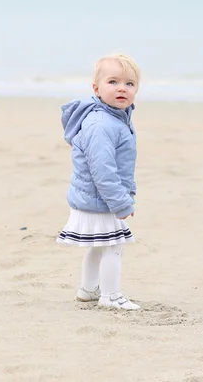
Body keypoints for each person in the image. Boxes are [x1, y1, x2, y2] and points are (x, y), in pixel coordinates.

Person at [56, 54, 141, 310]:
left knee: (99, 244)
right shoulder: (101, 123)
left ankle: (88, 289)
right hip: (100, 198)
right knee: (114, 246)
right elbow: (102, 171)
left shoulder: (115, 117)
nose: (121, 88)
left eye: (129, 83)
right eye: (113, 81)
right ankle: (110, 296)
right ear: (96, 88)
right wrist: (122, 202)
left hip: (95, 197)